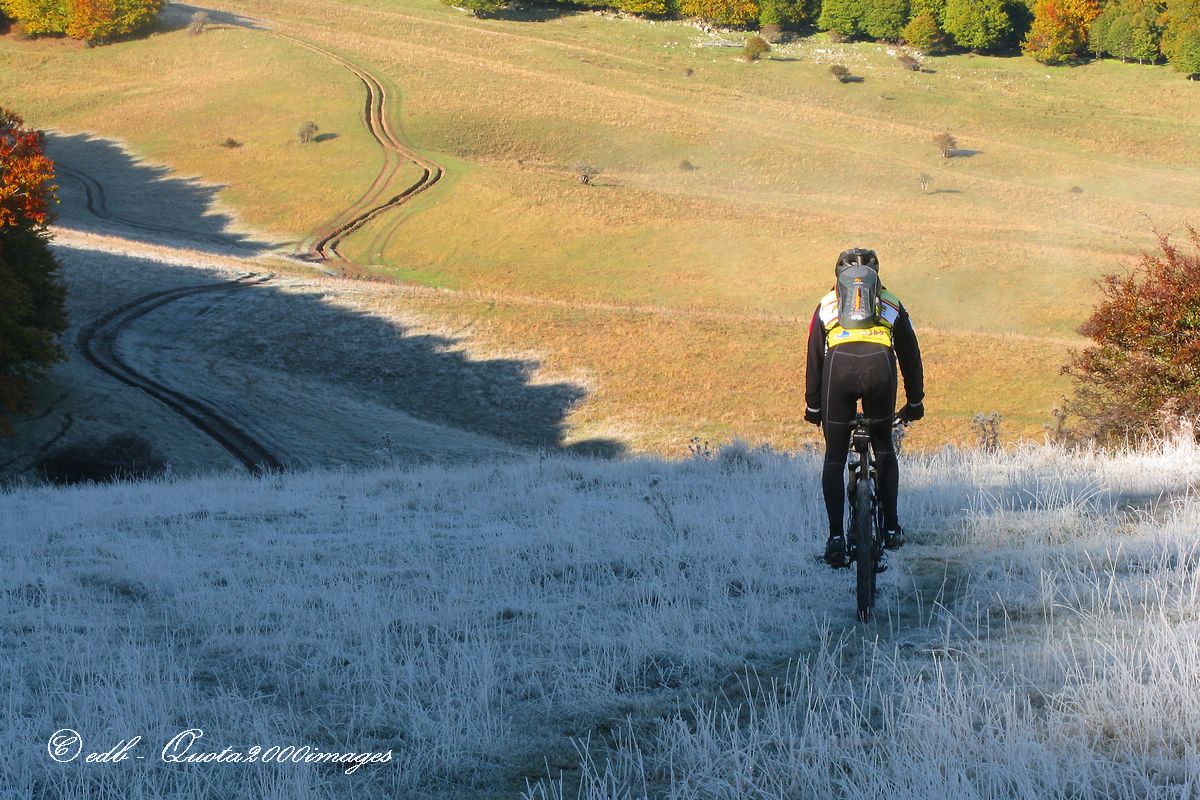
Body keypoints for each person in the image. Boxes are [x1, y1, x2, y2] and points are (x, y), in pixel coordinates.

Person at [804, 248, 924, 568]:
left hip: (838, 370)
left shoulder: (827, 304)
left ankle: (834, 538)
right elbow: (910, 356)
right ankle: (891, 527)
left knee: (834, 457)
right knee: (883, 447)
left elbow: (815, 357)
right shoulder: (891, 302)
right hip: (880, 367)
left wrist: (814, 407)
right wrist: (914, 402)